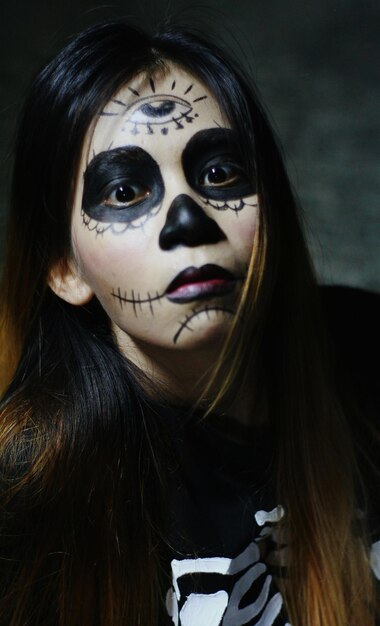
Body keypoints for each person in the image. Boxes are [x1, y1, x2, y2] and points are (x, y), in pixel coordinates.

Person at [0, 20, 378, 626]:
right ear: (64, 269)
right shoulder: (27, 487)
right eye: (124, 191)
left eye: (221, 174)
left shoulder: (367, 356)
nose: (187, 222)